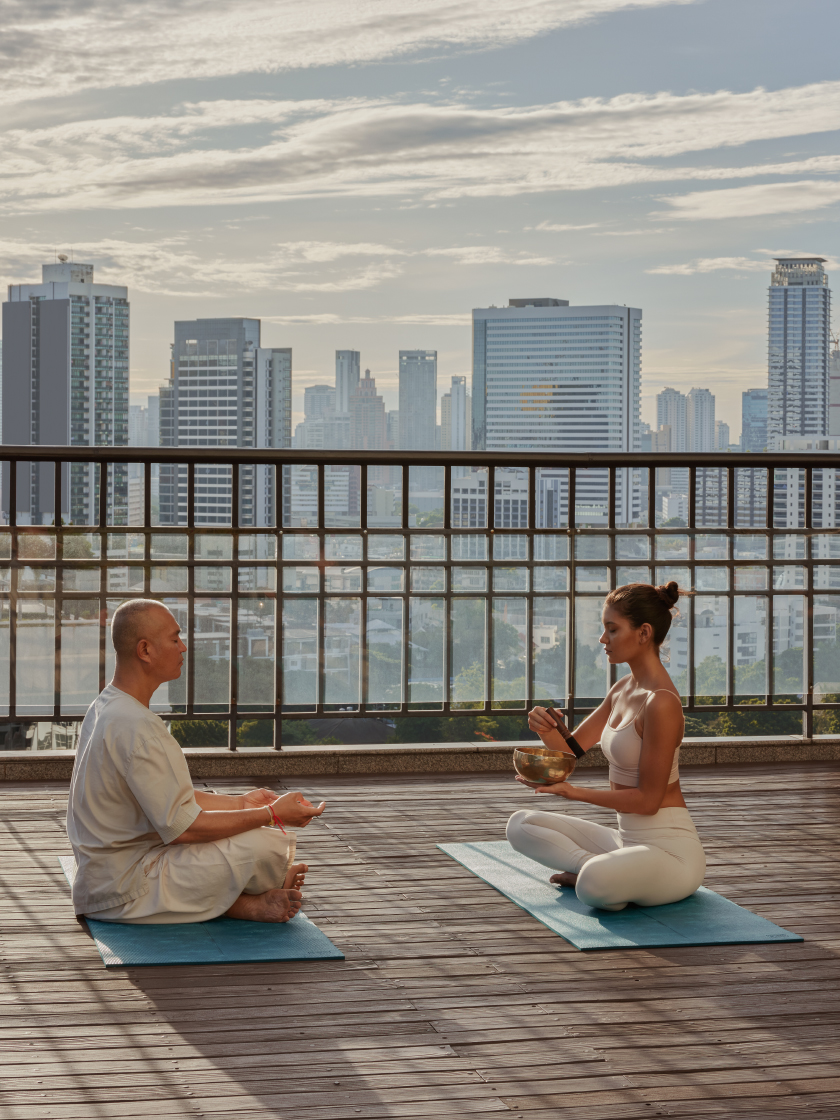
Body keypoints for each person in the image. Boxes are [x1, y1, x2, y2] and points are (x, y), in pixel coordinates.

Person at [66, 598, 325, 924]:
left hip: (102, 877)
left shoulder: (107, 704)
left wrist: (243, 803)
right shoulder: (136, 726)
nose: (184, 647)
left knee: (254, 832)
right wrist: (271, 813)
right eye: (175, 639)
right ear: (145, 651)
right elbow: (184, 828)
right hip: (123, 890)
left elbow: (169, 798)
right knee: (268, 843)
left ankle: (243, 902)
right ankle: (245, 900)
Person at [507, 582, 705, 912]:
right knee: (520, 824)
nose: (603, 640)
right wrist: (547, 729)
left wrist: (573, 793)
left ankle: (596, 875)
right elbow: (570, 752)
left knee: (593, 885)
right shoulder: (622, 688)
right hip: (625, 841)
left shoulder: (661, 703)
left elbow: (647, 801)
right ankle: (598, 871)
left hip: (671, 853)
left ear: (643, 633)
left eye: (612, 630)